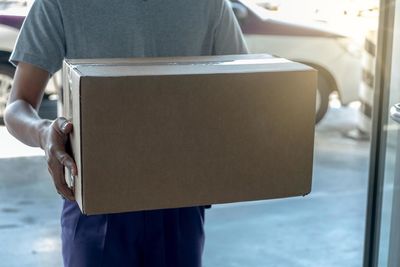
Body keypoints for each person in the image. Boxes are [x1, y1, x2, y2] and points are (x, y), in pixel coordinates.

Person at [4, 0, 248, 266]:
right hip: (95, 199)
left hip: (179, 200)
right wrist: (43, 133)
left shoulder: (208, 5)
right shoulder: (62, 4)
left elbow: (244, 90)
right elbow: (18, 106)